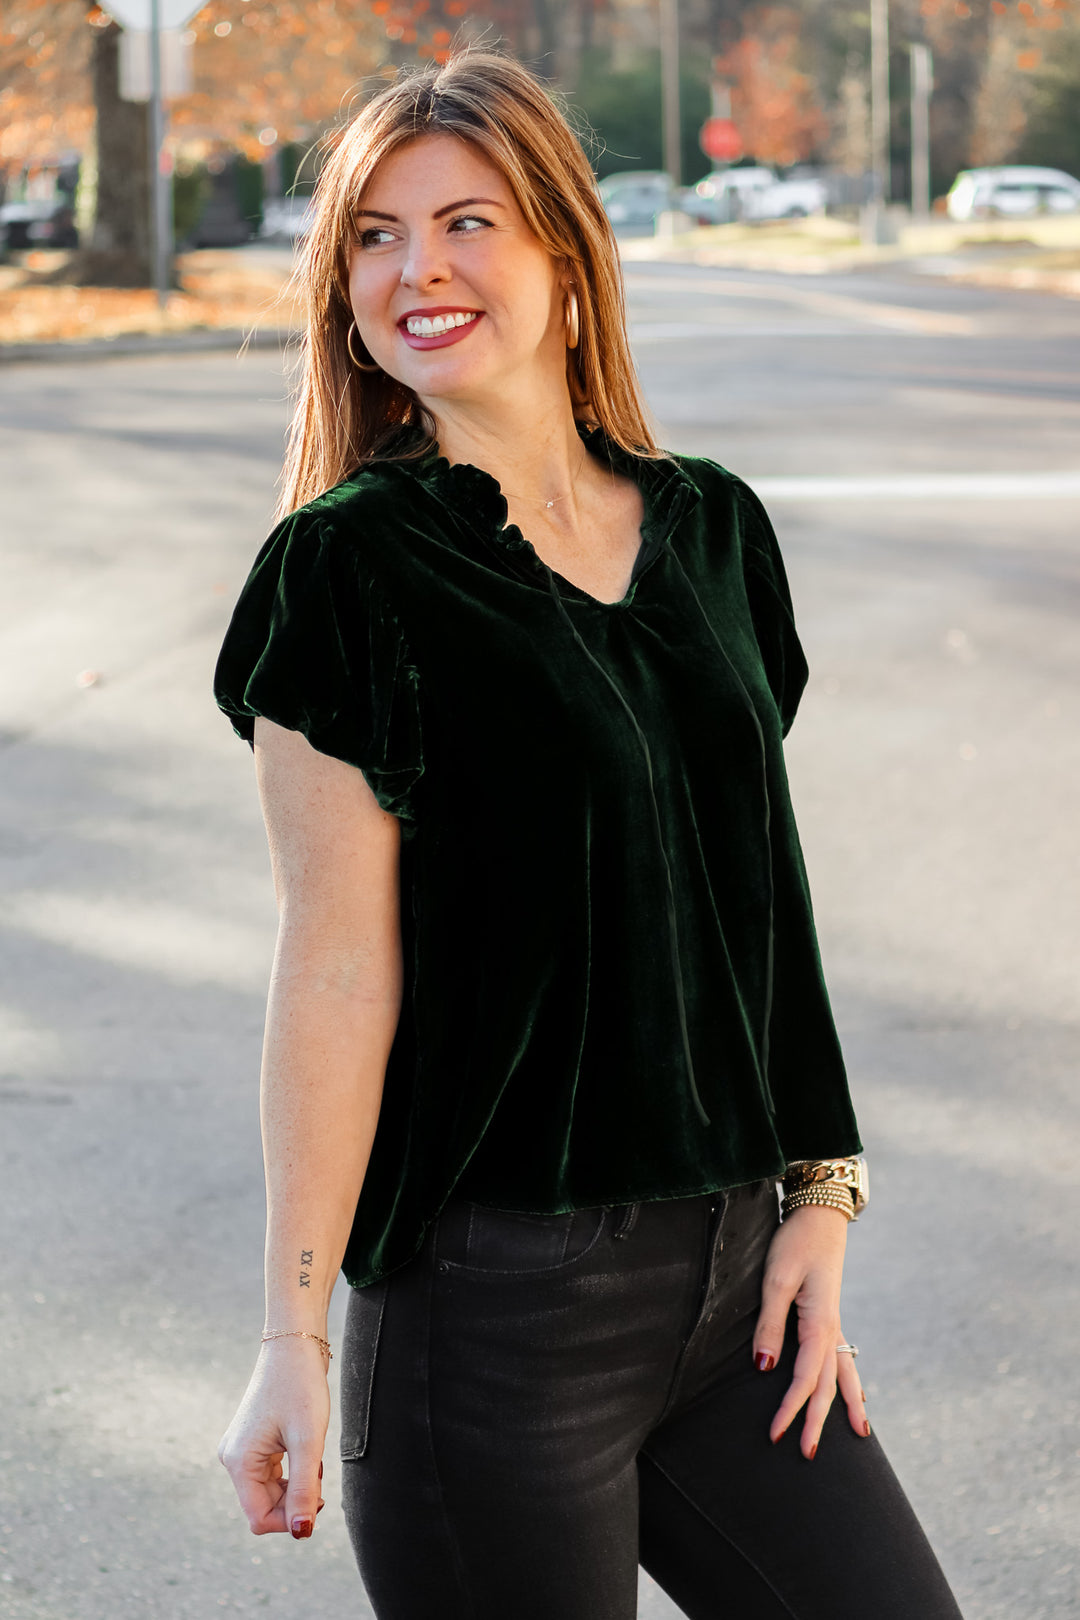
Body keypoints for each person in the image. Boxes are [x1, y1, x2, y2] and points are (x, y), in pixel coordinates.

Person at [214, 48, 964, 1620]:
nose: (414, 268)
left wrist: (818, 1190)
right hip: (497, 1326)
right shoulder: (345, 576)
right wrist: (289, 1337)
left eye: (466, 221)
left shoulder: (713, 530)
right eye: (372, 233)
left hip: (733, 1294)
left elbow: (754, 894)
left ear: (568, 254)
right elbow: (337, 969)